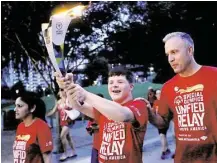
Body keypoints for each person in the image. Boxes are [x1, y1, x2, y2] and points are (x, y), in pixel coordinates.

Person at [146, 32, 217, 163]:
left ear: (190, 50)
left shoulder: (214, 76)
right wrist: (150, 115)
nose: (170, 59)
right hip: (183, 159)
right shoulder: (168, 87)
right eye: (168, 54)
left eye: (174, 52)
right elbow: (163, 121)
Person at [55, 66, 148, 163]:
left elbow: (122, 115)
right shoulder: (103, 108)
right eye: (111, 82)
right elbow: (78, 106)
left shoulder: (139, 104)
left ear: (131, 86)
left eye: (120, 82)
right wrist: (69, 88)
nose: (114, 85)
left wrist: (85, 95)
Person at [13, 91, 53, 163]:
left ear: (32, 108)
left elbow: (47, 158)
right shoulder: (20, 126)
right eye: (15, 105)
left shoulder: (41, 126)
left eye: (19, 106)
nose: (15, 109)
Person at [46, 89, 77, 161]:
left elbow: (74, 108)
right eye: (60, 91)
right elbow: (54, 111)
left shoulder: (69, 100)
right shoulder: (59, 102)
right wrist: (47, 115)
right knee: (68, 137)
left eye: (62, 91)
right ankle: (74, 151)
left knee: (62, 135)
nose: (61, 92)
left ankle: (65, 153)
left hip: (69, 121)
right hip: (62, 121)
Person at [153, 89, 171, 159]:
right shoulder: (155, 102)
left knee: (161, 135)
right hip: (159, 121)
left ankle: (164, 151)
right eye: (157, 94)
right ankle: (167, 149)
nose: (159, 95)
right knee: (163, 136)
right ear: (155, 95)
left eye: (160, 93)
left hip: (165, 121)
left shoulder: (165, 101)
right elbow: (154, 111)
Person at [86, 93, 104, 163]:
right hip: (96, 146)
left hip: (105, 146)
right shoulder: (93, 112)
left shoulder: (107, 112)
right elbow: (89, 129)